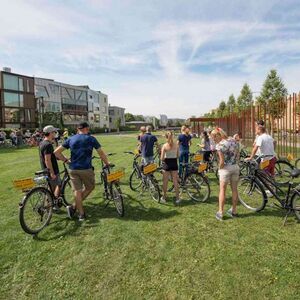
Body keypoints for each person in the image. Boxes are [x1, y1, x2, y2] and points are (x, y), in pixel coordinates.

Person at [54, 122, 109, 221]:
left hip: (73, 169)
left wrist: (66, 161)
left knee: (77, 191)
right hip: (86, 168)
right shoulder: (91, 139)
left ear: (78, 129)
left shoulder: (70, 139)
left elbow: (56, 152)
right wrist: (107, 163)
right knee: (90, 187)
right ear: (87, 128)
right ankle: (75, 207)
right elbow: (101, 153)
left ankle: (80, 214)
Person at [211, 127, 240, 221]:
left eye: (213, 137)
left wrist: (219, 168)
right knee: (234, 189)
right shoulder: (233, 140)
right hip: (235, 167)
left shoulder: (220, 145)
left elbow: (222, 161)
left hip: (225, 168)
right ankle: (234, 211)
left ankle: (220, 212)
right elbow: (238, 154)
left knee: (222, 190)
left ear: (218, 136)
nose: (213, 139)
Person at [39, 125, 65, 200]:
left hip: (45, 169)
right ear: (50, 133)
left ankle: (51, 204)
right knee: (58, 185)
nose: (55, 133)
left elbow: (48, 156)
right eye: (54, 132)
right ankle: (53, 204)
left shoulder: (42, 143)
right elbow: (47, 159)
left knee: (51, 188)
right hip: (51, 169)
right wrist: (52, 173)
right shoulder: (48, 145)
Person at [160, 131, 180, 204]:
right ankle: (177, 198)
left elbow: (161, 158)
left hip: (167, 164)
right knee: (175, 181)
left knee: (165, 182)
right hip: (174, 163)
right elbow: (178, 156)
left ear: (165, 137)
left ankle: (164, 197)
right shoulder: (176, 145)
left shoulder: (164, 146)